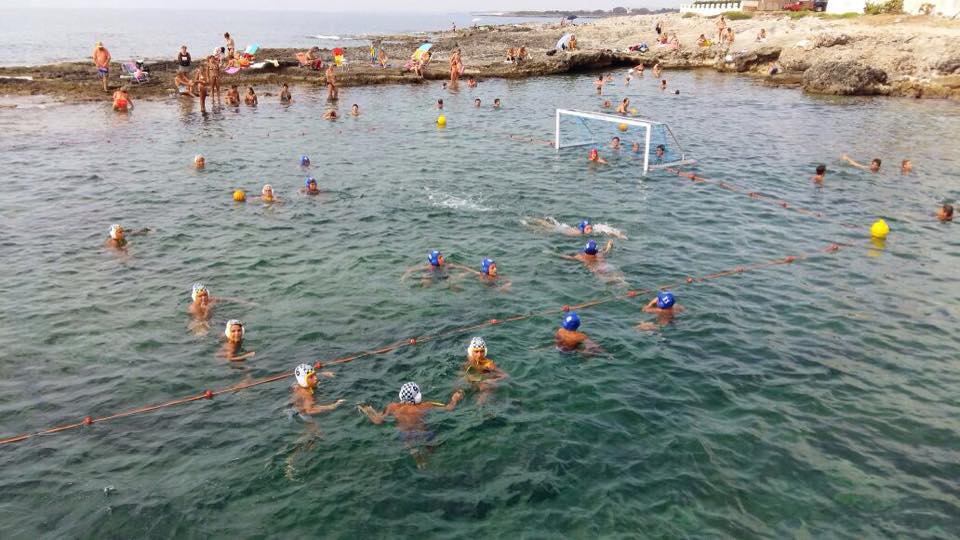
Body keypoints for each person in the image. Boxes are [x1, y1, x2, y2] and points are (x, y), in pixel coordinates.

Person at [358, 382, 465, 468]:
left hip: (404, 435)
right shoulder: (425, 406)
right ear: (417, 396)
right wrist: (454, 399)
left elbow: (378, 420)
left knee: (408, 442)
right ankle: (434, 464)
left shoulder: (392, 407)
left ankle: (414, 453)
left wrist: (369, 412)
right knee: (433, 449)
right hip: (423, 434)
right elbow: (449, 408)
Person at [462, 337, 507, 404]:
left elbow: (505, 375)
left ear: (485, 351)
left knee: (481, 400)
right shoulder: (468, 361)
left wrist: (492, 380)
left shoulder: (489, 364)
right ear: (471, 351)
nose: (479, 355)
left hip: (484, 383)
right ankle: (450, 405)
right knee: (458, 389)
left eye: (482, 351)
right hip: (472, 381)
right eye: (476, 351)